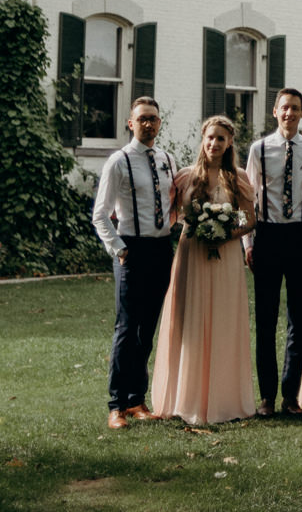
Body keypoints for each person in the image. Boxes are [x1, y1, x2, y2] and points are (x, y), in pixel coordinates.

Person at [148, 114, 258, 423]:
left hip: (225, 258)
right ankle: (186, 396)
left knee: (223, 321)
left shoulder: (238, 177)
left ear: (229, 143)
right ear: (203, 139)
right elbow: (169, 215)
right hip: (192, 253)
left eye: (221, 138)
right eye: (210, 137)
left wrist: (224, 233)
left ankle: (223, 398)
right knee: (191, 321)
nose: (214, 143)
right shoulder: (184, 176)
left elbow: (248, 219)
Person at [91, 97, 177, 428]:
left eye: (153, 119)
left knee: (147, 329)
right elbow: (100, 214)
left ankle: (136, 400)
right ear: (131, 123)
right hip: (132, 249)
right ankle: (116, 405)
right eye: (142, 119)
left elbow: (174, 201)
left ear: (159, 123)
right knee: (126, 328)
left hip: (160, 249)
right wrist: (119, 248)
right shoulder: (118, 161)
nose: (149, 124)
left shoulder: (167, 159)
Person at [245, 88, 302, 415]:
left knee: (297, 318)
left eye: (295, 108)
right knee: (265, 318)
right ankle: (266, 397)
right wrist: (247, 243)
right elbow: (246, 201)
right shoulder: (259, 149)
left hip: (301, 236)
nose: (289, 113)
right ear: (275, 112)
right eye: (284, 108)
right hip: (268, 235)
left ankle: (290, 395)